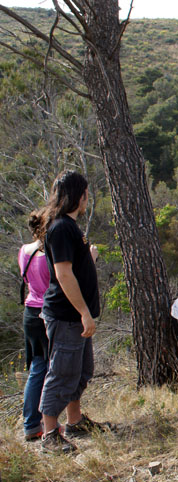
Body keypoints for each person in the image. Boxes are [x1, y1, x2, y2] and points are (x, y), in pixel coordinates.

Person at [37, 170, 104, 454]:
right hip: (67, 316)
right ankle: (49, 436)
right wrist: (83, 313)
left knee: (81, 371)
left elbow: (72, 266)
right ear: (80, 196)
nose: (88, 198)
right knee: (62, 373)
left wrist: (89, 258)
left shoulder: (68, 227)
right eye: (86, 193)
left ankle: (74, 422)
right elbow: (63, 275)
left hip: (75, 316)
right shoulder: (62, 227)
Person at [18, 210, 52, 442]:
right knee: (49, 368)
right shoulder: (46, 254)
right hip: (46, 313)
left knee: (37, 367)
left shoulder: (24, 251)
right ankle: (41, 421)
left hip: (30, 313)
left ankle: (32, 422)